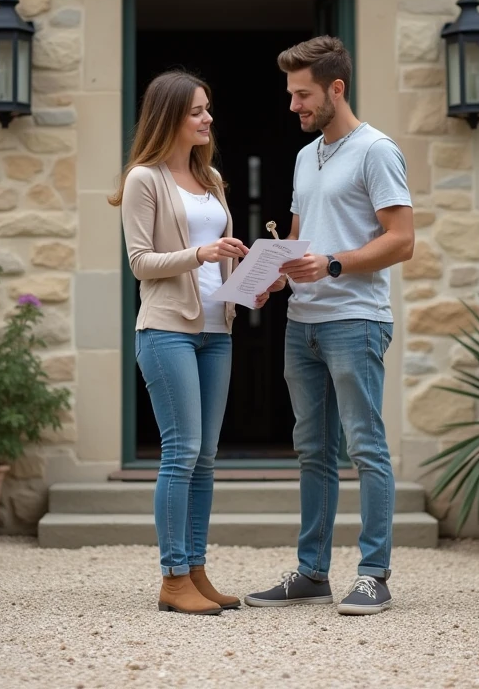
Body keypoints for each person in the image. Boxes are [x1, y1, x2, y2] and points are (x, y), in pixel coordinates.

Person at [245, 36, 414, 616]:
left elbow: (402, 240)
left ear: (336, 89)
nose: (293, 105)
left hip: (355, 320)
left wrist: (335, 263)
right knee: (313, 450)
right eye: (291, 94)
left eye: (302, 94)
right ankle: (312, 572)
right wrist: (270, 277)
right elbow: (299, 239)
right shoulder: (304, 155)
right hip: (303, 323)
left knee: (365, 446)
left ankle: (374, 574)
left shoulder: (377, 151)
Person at [109, 70, 256, 616]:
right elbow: (140, 263)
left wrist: (247, 286)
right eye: (197, 110)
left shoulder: (211, 178)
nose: (208, 118)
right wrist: (202, 254)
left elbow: (220, 259)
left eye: (208, 108)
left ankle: (196, 569)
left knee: (207, 458)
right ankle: (172, 578)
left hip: (218, 329)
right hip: (167, 328)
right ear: (169, 115)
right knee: (182, 452)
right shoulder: (144, 179)